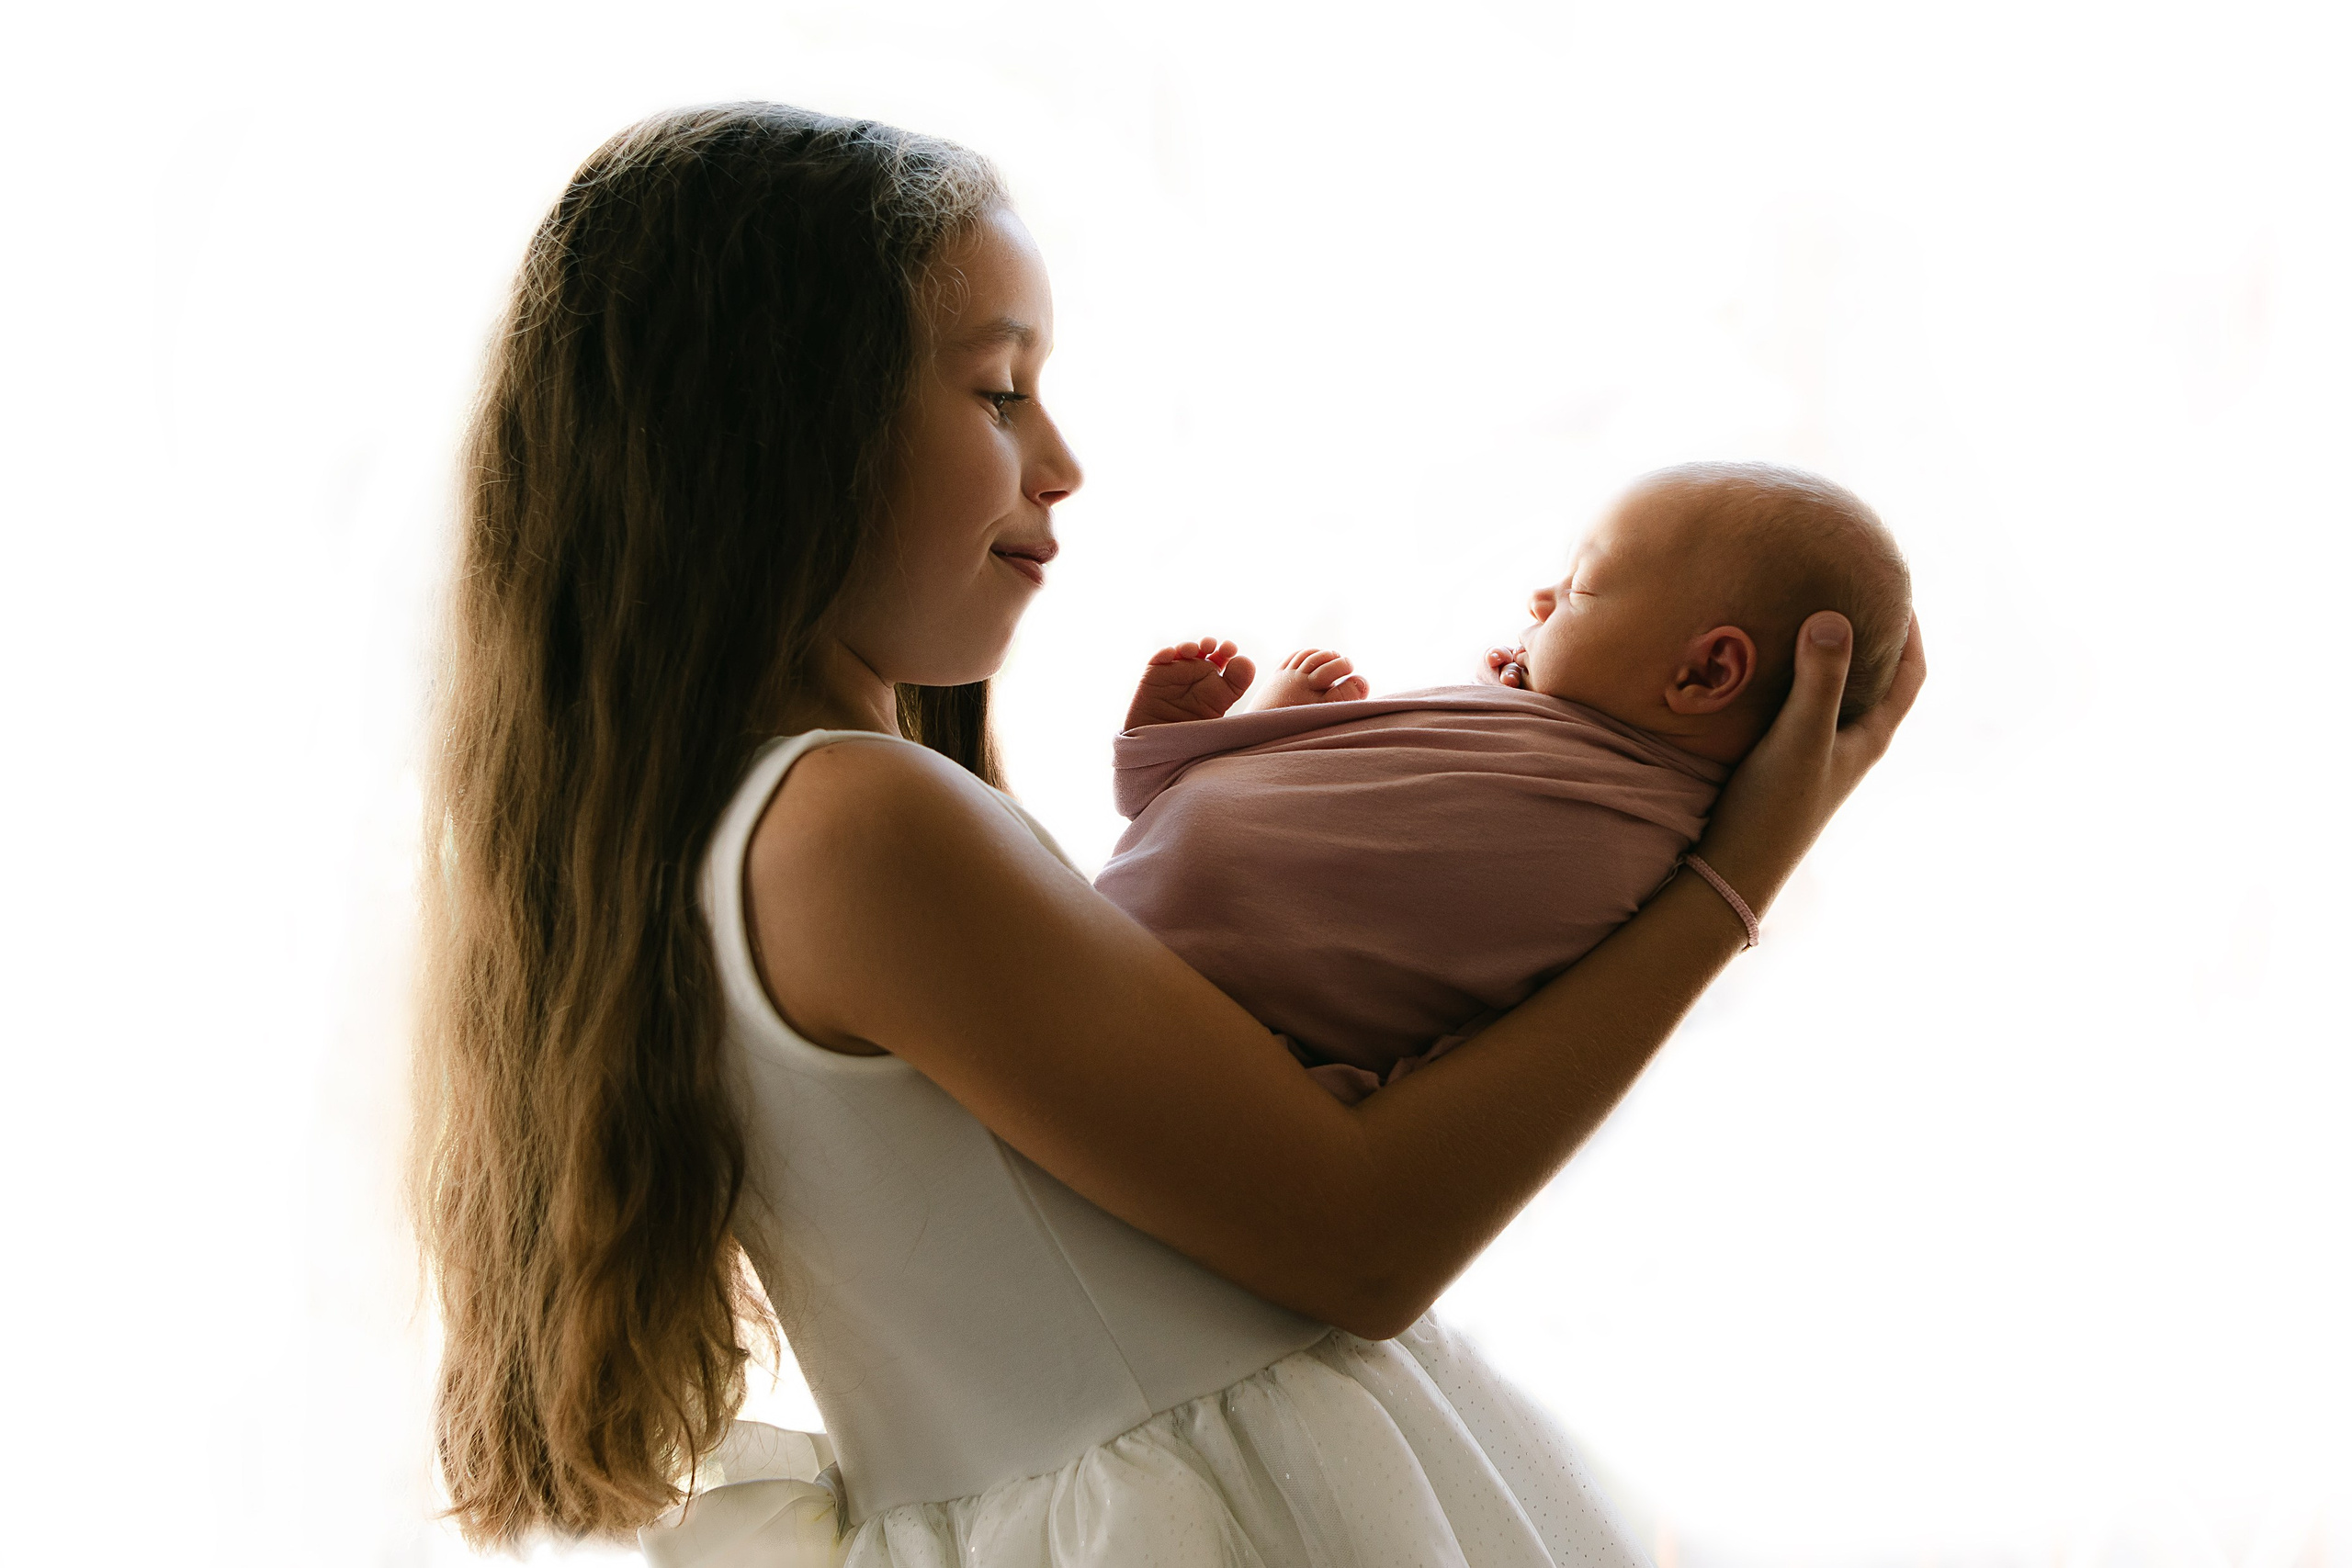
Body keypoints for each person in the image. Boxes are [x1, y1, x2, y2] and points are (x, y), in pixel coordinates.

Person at [411, 103, 1925, 1566]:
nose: (1059, 460)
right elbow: (1365, 1240)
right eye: (999, 393)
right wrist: (1735, 872)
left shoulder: (744, 831)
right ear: (776, 422)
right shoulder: (851, 821)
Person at [1095, 462, 1911, 1102]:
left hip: (1214, 1038)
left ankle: (1200, 753)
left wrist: (1234, 747)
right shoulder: (1577, 749)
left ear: (1706, 672)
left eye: (1580, 587)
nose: (1539, 597)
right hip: (1143, 957)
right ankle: (1203, 753)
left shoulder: (1628, 838)